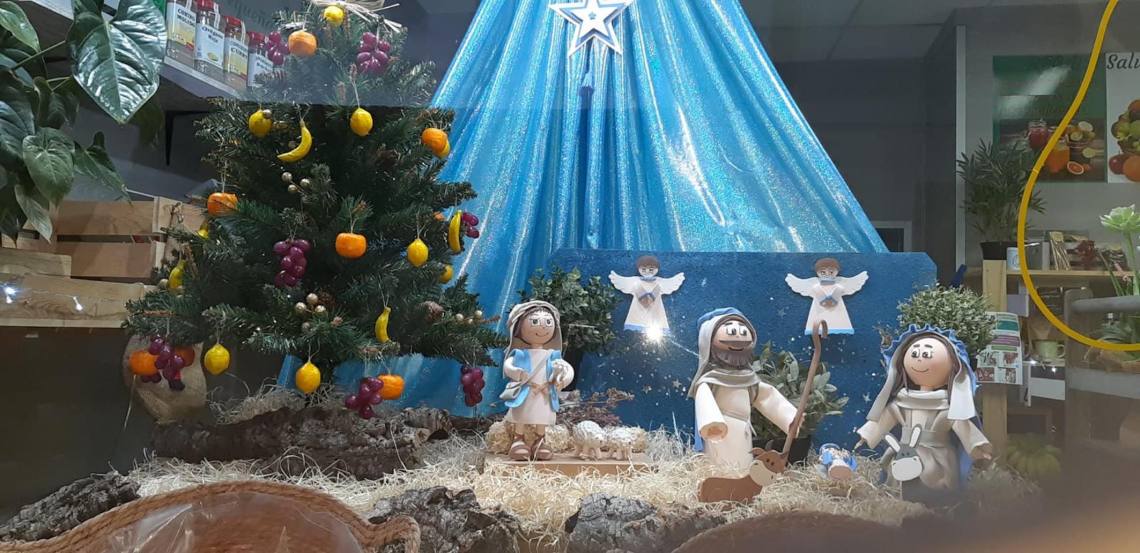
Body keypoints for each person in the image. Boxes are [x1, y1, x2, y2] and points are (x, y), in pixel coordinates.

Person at [689, 308, 797, 472]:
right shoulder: (709, 381)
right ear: (709, 342)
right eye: (731, 331)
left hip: (743, 432)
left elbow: (767, 397)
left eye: (743, 331)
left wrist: (790, 418)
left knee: (743, 462)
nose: (738, 338)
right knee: (720, 465)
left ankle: (743, 481)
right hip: (720, 433)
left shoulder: (748, 379)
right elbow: (705, 401)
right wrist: (712, 424)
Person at [500, 300, 574, 461]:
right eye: (534, 321)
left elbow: (567, 369)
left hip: (544, 393)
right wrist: (515, 371)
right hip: (525, 392)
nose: (543, 327)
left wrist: (563, 380)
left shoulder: (552, 355)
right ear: (519, 328)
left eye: (548, 322)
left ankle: (540, 440)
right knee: (521, 415)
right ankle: (518, 439)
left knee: (542, 417)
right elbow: (508, 365)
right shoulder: (520, 354)